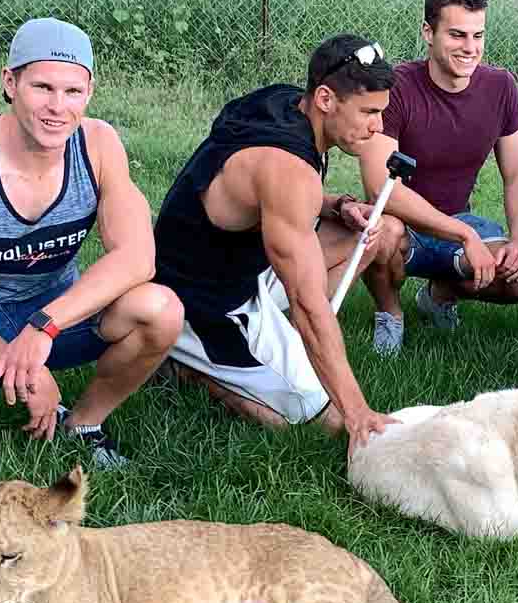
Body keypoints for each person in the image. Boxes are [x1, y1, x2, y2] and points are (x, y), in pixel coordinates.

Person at [0, 17, 183, 468]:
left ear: (89, 93)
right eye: (42, 88)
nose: (57, 107)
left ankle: (82, 424)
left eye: (72, 92)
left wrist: (43, 327)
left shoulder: (98, 144)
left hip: (53, 312)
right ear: (10, 83)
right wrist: (29, 370)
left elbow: (137, 257)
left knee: (161, 310)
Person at [150, 34, 407, 447]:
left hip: (238, 262)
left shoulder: (287, 104)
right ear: (325, 98)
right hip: (202, 300)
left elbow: (267, 194)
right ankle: (186, 364)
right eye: (369, 112)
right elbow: (308, 304)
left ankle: (273, 349)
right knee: (323, 422)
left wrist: (338, 205)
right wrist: (357, 411)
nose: (378, 126)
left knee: (374, 233)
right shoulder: (287, 168)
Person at [354, 0, 518, 354]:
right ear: (428, 32)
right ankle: (390, 314)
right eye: (457, 35)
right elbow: (380, 188)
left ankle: (439, 295)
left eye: (477, 35)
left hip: (458, 219)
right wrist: (465, 236)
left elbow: (517, 174)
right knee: (382, 232)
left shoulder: (501, 87)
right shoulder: (396, 87)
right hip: (402, 224)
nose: (470, 48)